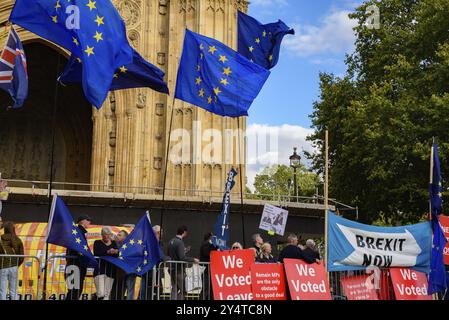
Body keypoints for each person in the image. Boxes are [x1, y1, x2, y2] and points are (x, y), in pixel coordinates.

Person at [167, 226, 199, 300]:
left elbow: (170, 254)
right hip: (178, 270)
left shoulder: (171, 241)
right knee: (183, 290)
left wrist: (183, 251)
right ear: (184, 232)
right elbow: (182, 258)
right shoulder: (180, 242)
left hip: (171, 268)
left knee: (174, 289)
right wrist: (193, 259)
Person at [139, 225, 170, 300]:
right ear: (157, 233)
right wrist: (169, 258)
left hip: (151, 271)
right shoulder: (152, 243)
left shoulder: (156, 242)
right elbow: (160, 256)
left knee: (147, 290)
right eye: (160, 233)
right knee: (147, 291)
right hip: (150, 271)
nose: (161, 234)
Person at [65, 214, 91, 300]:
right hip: (75, 266)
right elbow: (79, 250)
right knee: (74, 292)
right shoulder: (78, 232)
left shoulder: (78, 232)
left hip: (74, 266)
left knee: (74, 291)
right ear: (82, 221)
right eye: (88, 220)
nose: (89, 222)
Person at [93, 227, 119, 300]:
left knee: (106, 296)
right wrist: (108, 252)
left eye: (108, 234)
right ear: (101, 234)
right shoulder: (97, 242)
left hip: (111, 270)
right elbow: (96, 253)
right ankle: (94, 296)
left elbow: (117, 255)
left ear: (110, 235)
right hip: (99, 270)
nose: (106, 236)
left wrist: (116, 251)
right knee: (101, 293)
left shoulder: (114, 243)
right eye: (104, 234)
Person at [0, 221, 24, 300]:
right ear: (13, 229)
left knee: (2, 291)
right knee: (14, 291)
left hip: (2, 266)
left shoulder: (1, 239)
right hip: (14, 267)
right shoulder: (18, 240)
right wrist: (16, 265)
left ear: (5, 229)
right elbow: (21, 257)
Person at [113, 230, 135, 300]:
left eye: (120, 235)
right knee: (118, 291)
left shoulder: (130, 245)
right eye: (117, 234)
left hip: (129, 271)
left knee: (129, 290)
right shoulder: (114, 244)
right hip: (119, 272)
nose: (117, 236)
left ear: (125, 237)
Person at [199, 233, 218, 300]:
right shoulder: (205, 244)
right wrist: (214, 246)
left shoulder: (208, 245)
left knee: (210, 289)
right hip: (207, 271)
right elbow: (207, 253)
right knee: (206, 289)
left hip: (209, 271)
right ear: (210, 238)